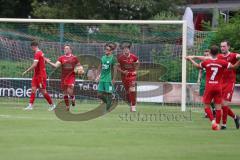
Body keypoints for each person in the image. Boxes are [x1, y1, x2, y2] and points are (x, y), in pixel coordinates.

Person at [186, 45, 240, 130]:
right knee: (218, 106)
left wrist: (190, 59)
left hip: (210, 87)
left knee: (206, 106)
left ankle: (213, 122)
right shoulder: (222, 62)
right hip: (218, 87)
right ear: (218, 53)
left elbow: (197, 66)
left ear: (210, 53)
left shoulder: (206, 62)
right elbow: (234, 67)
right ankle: (218, 124)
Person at [45, 44, 83, 111]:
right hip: (63, 77)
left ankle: (73, 97)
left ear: (70, 50)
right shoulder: (61, 58)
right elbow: (56, 66)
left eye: (67, 48)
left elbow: (80, 67)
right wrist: (49, 62)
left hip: (71, 76)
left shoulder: (74, 58)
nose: (65, 49)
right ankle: (67, 106)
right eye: (65, 48)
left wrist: (80, 70)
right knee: (65, 92)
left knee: (69, 89)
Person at [22, 41, 55, 111]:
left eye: (32, 48)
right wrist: (46, 60)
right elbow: (43, 60)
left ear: (33, 46)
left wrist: (26, 71)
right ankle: (30, 105)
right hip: (36, 75)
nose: (32, 49)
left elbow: (34, 65)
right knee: (33, 89)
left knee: (43, 91)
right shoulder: (41, 53)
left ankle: (52, 105)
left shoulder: (37, 53)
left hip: (41, 76)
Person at [117, 42, 139, 112]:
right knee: (127, 91)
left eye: (127, 49)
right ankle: (130, 103)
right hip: (124, 76)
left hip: (132, 75)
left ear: (129, 50)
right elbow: (117, 67)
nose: (126, 50)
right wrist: (123, 72)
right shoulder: (120, 58)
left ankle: (133, 106)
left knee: (132, 89)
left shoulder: (133, 57)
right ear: (123, 50)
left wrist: (135, 70)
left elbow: (138, 63)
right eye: (124, 49)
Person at [96, 43, 118, 111]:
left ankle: (108, 108)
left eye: (108, 50)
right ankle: (108, 102)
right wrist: (97, 76)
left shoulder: (113, 58)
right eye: (105, 49)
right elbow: (100, 67)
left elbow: (115, 70)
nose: (106, 51)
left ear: (111, 51)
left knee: (109, 94)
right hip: (102, 79)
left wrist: (113, 79)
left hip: (109, 79)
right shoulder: (103, 57)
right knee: (99, 94)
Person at [197, 49, 215, 118]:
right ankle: (207, 113)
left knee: (210, 98)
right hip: (203, 82)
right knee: (204, 98)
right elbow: (200, 71)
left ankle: (213, 109)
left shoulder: (212, 62)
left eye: (207, 55)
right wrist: (198, 80)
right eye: (205, 55)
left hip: (210, 82)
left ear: (210, 55)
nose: (206, 56)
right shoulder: (202, 63)